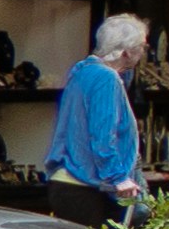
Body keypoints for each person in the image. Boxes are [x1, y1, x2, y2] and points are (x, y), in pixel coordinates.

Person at [47, 14, 146, 199]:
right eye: (141, 46)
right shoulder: (106, 77)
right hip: (85, 186)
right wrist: (118, 178)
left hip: (66, 180)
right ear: (126, 52)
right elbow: (102, 133)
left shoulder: (83, 70)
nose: (143, 52)